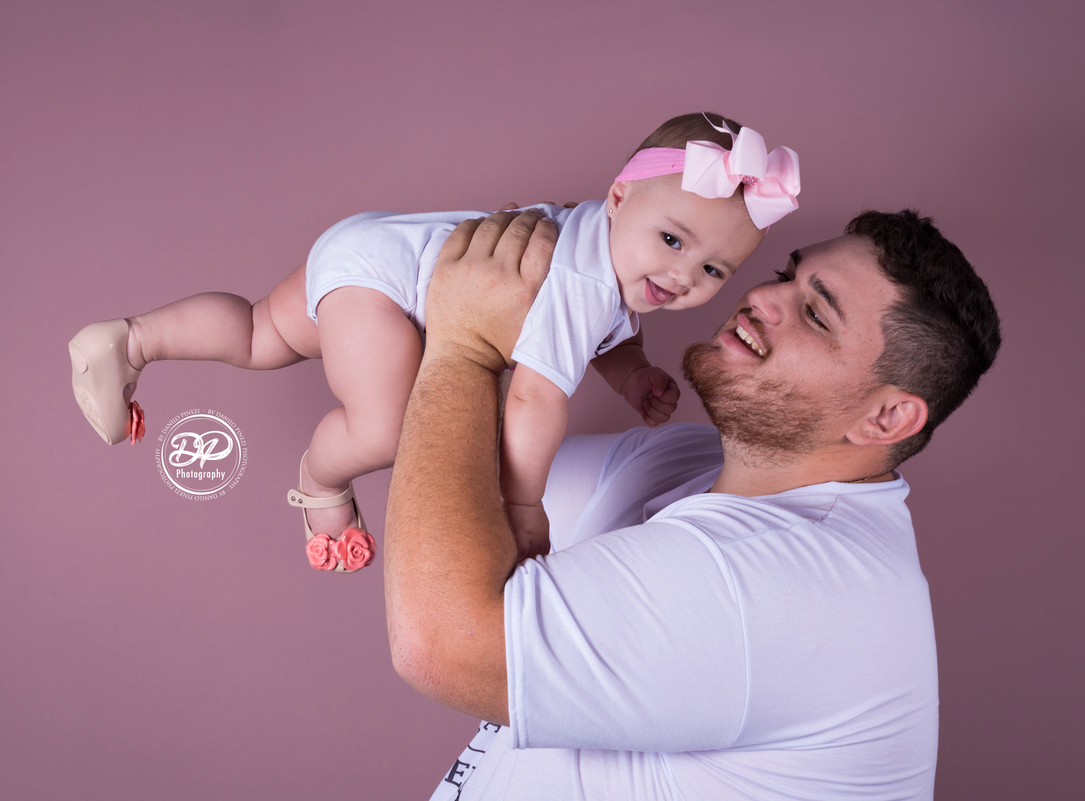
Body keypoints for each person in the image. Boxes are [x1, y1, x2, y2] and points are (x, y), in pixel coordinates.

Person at [384, 206, 1001, 800]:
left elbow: (443, 643)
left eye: (816, 313)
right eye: (787, 275)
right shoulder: (696, 464)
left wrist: (466, 344)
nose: (764, 297)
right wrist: (544, 298)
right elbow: (457, 481)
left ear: (887, 417)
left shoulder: (770, 580)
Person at [66, 113, 801, 568]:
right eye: (671, 240)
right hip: (387, 289)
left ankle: (130, 339)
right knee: (385, 428)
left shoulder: (603, 253)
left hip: (376, 244)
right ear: (618, 197)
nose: (681, 275)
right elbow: (537, 398)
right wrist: (522, 506)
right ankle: (321, 480)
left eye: (712, 268)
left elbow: (606, 337)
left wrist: (633, 374)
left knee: (262, 330)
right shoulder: (583, 284)